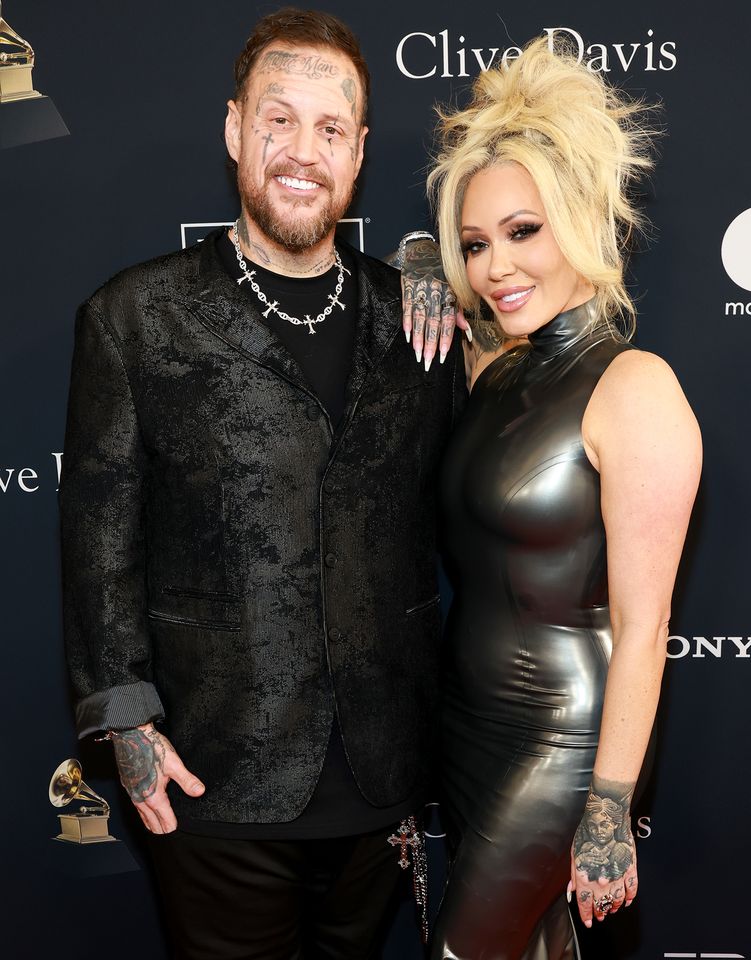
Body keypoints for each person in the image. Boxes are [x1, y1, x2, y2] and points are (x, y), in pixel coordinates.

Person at [59, 8, 463, 959]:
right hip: (213, 776)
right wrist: (126, 722)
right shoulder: (135, 317)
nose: (302, 151)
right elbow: (97, 537)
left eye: (330, 130)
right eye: (279, 119)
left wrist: (430, 260)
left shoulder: (417, 322)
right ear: (236, 128)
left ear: (358, 152)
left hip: (381, 777)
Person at [425, 36, 702, 959]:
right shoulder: (492, 368)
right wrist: (424, 265)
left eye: (522, 231)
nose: (495, 266)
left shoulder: (635, 388)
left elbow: (644, 621)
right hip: (465, 731)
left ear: (580, 219)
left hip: (564, 746)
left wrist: (609, 806)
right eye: (474, 243)